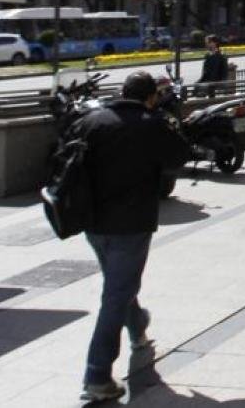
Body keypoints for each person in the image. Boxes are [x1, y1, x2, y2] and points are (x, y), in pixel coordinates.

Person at [77, 71, 192, 403]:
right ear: (151, 97)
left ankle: (138, 326)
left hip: (92, 221)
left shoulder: (93, 120)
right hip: (130, 222)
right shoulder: (150, 123)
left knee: (119, 284)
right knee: (117, 292)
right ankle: (97, 376)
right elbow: (179, 157)